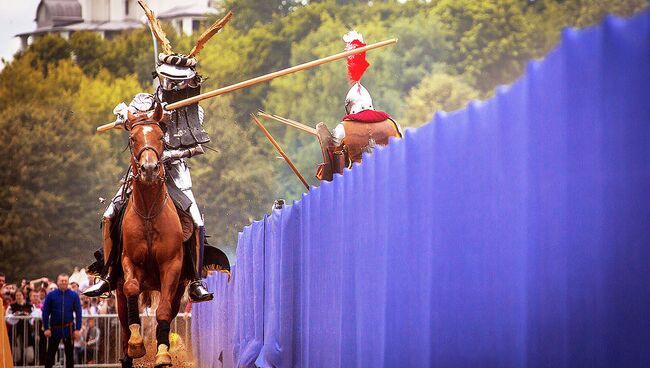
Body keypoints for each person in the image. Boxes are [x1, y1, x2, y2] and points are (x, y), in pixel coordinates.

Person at [83, 4, 232, 303]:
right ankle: (111, 275)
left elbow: (197, 146)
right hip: (141, 171)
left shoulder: (195, 112)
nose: (174, 85)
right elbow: (126, 113)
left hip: (175, 176)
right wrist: (123, 118)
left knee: (197, 219)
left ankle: (196, 280)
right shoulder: (146, 102)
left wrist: (169, 156)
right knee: (110, 213)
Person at [316, 31, 403, 182]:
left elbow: (335, 164)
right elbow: (401, 151)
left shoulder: (342, 129)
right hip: (391, 179)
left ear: (349, 106)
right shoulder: (393, 124)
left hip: (358, 184)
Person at [42, 273, 82, 368]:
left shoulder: (74, 295)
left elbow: (78, 312)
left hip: (69, 329)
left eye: (65, 281)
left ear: (68, 282)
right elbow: (45, 312)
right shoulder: (51, 295)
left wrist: (77, 329)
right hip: (55, 329)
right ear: (57, 282)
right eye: (61, 280)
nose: (63, 282)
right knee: (50, 355)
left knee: (69, 356)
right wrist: (46, 328)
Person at [5, 289, 35, 365]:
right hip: (15, 331)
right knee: (16, 354)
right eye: (17, 295)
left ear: (23, 296)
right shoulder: (11, 306)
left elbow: (34, 315)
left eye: (20, 295)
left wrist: (28, 316)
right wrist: (14, 316)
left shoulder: (30, 305)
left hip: (27, 330)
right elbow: (7, 317)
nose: (18, 297)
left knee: (29, 355)